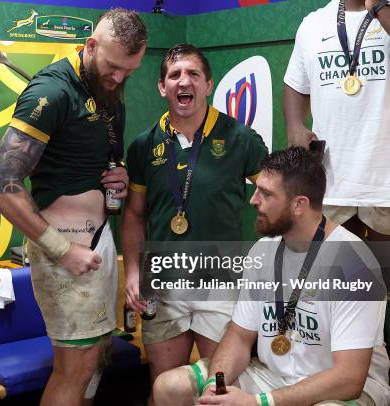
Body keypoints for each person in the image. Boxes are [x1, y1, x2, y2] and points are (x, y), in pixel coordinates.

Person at [0, 8, 146, 406]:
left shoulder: (106, 89)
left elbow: (92, 160)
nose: (120, 77)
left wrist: (119, 176)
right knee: (75, 369)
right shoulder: (51, 91)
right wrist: (61, 250)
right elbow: (1, 186)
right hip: (66, 250)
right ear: (90, 46)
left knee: (92, 365)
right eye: (113, 66)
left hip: (97, 240)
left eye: (130, 69)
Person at [153, 147, 390, 406]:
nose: (253, 200)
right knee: (171, 387)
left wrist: (260, 402)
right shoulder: (264, 250)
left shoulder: (353, 263)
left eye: (265, 193)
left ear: (299, 204)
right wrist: (216, 383)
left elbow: (349, 378)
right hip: (273, 376)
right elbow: (240, 336)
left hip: (338, 389)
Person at [122, 43, 268, 403]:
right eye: (174, 75)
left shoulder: (241, 138)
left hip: (221, 279)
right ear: (162, 87)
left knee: (219, 384)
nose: (183, 81)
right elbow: (134, 215)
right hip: (163, 282)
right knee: (163, 384)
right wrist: (133, 275)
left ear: (208, 84)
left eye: (193, 74)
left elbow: (273, 197)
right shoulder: (144, 145)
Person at [283, 0, 390, 241]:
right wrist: (295, 126)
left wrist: (379, 7)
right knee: (336, 274)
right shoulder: (312, 24)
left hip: (384, 183)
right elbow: (295, 84)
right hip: (332, 183)